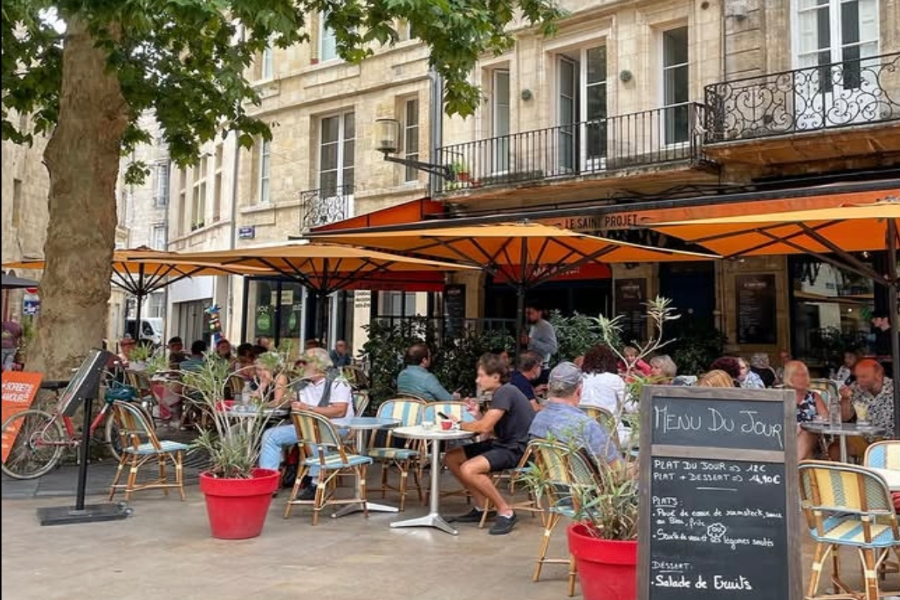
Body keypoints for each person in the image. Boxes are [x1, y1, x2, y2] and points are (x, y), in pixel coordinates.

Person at [444, 353, 535, 535]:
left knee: (469, 468)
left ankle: (505, 511)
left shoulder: (505, 392)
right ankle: (482, 507)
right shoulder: (502, 393)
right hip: (503, 443)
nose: (477, 381)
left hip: (517, 449)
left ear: (495, 376)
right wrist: (477, 415)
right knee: (451, 458)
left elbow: (485, 427)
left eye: (481, 375)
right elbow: (492, 429)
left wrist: (459, 423)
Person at [259, 347, 354, 499]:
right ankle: (267, 484)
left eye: (304, 362)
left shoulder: (338, 381)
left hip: (336, 427)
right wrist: (279, 394)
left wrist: (307, 408)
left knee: (314, 435)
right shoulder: (302, 383)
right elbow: (282, 403)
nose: (300, 366)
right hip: (306, 427)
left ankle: (315, 483)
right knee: (271, 435)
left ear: (319, 365)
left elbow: (339, 411)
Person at [529, 362, 620, 467]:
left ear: (549, 387)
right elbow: (616, 471)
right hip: (588, 483)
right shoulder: (587, 426)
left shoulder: (538, 420)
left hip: (550, 482)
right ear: (579, 391)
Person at [837, 359, 895, 460]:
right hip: (863, 436)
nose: (859, 381)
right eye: (857, 376)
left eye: (863, 376)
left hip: (889, 439)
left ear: (878, 374)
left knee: (879, 450)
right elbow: (845, 417)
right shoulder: (855, 388)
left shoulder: (895, 389)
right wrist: (845, 399)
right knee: (836, 448)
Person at [580, 344, 632, 445]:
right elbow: (631, 408)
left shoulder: (579, 379)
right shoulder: (614, 380)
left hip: (585, 437)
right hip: (612, 437)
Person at [783, 360, 828, 462]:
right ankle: (797, 469)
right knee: (806, 455)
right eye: (797, 375)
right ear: (788, 377)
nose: (802, 379)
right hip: (785, 439)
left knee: (807, 432)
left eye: (804, 375)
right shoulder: (780, 396)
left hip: (811, 439)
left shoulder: (814, 397)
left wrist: (803, 427)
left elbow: (825, 420)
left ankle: (791, 468)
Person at [521, 302, 558, 372]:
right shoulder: (534, 326)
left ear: (539, 313)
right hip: (533, 367)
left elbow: (553, 349)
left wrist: (530, 341)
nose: (527, 316)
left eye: (530, 313)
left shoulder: (545, 326)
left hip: (541, 368)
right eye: (526, 313)